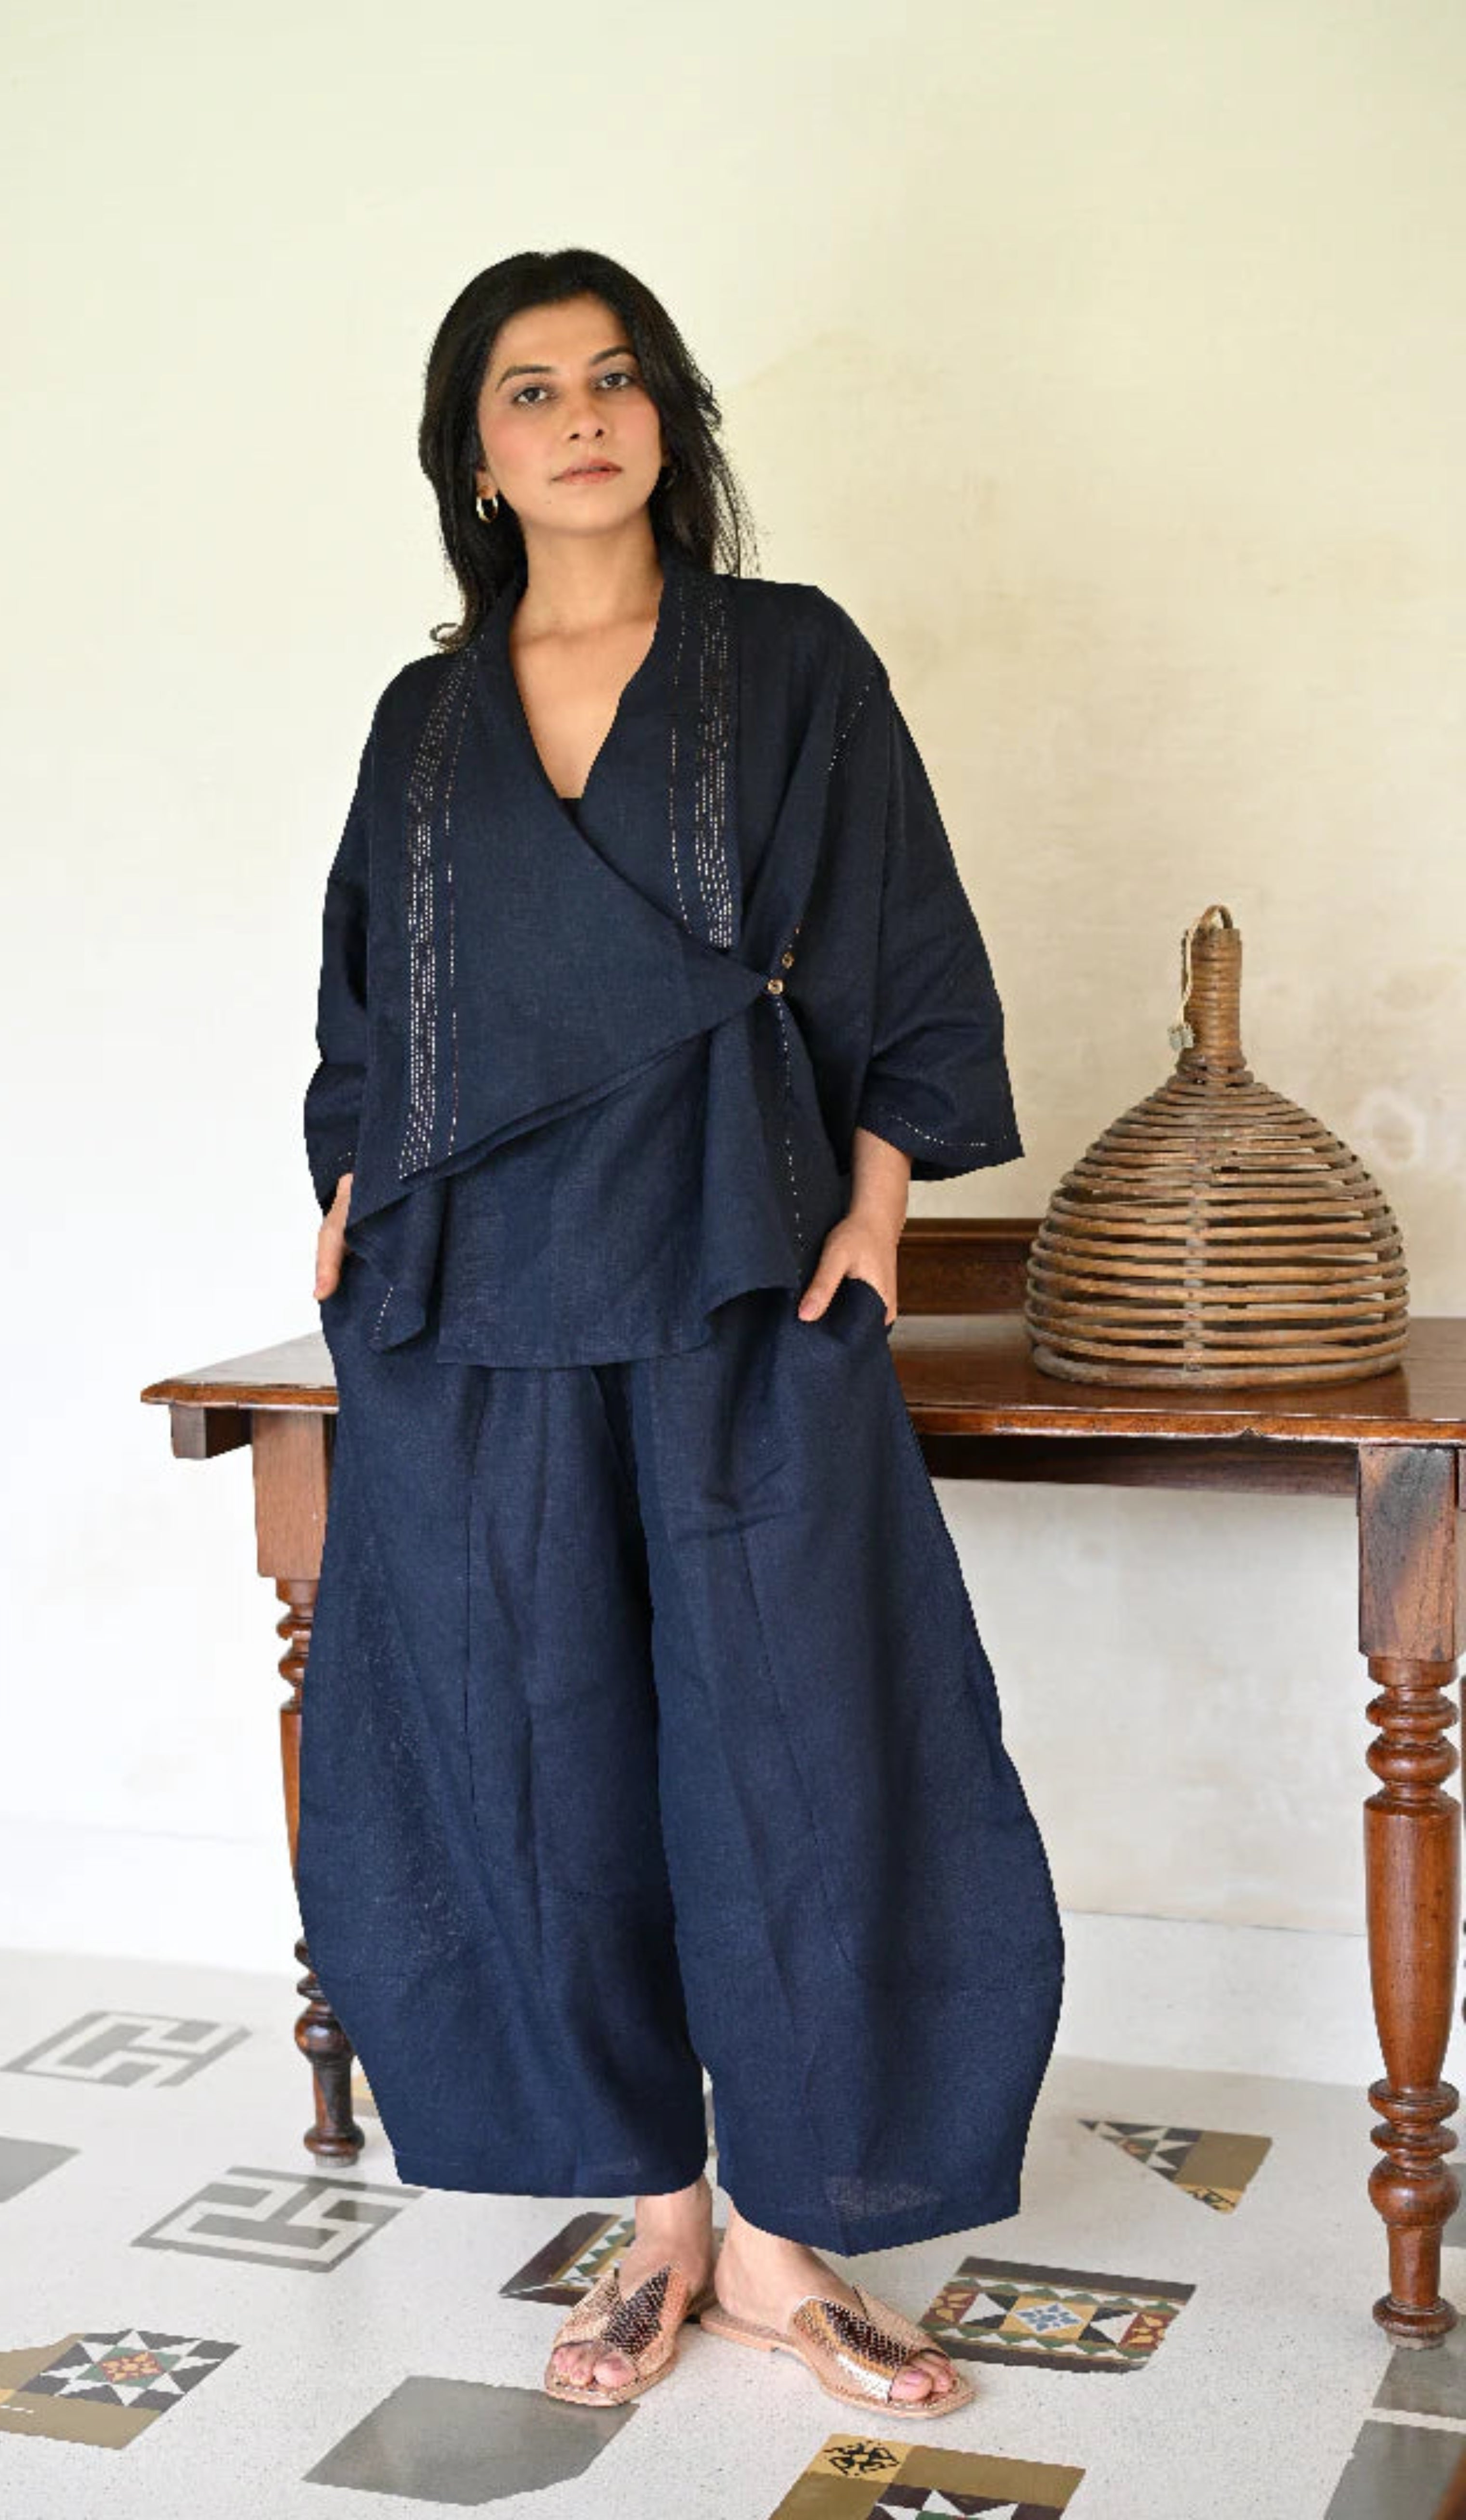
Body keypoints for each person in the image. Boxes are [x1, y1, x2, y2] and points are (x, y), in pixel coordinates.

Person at [296, 247, 1064, 2422]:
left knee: (800, 1746)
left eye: (614, 376)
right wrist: (348, 1192)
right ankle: (655, 2217)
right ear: (475, 453)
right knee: (532, 1754)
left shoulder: (785, 658)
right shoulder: (422, 718)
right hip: (475, 1305)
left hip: (740, 1263)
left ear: (668, 418)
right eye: (529, 388)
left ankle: (785, 2239)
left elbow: (900, 934)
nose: (579, 415)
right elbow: (365, 1005)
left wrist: (879, 1207)